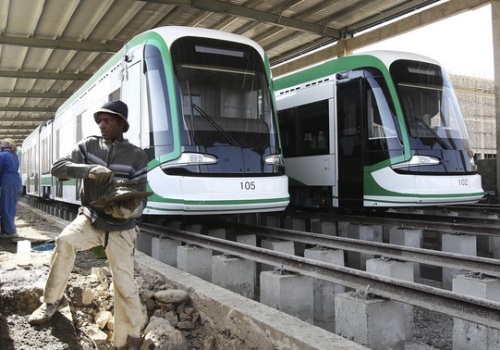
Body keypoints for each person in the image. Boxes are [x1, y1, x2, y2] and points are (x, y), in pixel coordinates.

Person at [28, 100, 149, 350]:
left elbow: (140, 195)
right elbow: (58, 169)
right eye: (100, 120)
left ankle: (130, 337)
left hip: (121, 227)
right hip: (90, 218)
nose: (102, 125)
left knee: (124, 281)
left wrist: (128, 209)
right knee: (65, 241)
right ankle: (52, 302)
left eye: (108, 120)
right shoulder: (88, 145)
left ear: (121, 124)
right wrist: (88, 170)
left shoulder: (137, 155)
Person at [0, 138, 22, 238]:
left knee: (5, 206)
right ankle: (6, 231)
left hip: (7, 180)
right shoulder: (15, 155)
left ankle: (11, 231)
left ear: (8, 144)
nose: (1, 143)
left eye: (3, 142)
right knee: (11, 206)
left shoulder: (3, 155)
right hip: (16, 181)